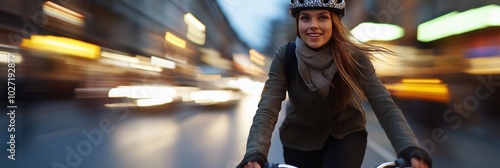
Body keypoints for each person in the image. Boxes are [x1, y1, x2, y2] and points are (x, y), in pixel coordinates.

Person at [237, 0, 432, 168]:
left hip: (346, 135)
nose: (313, 25)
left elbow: (384, 105)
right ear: (298, 23)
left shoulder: (354, 57)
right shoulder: (285, 56)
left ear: (334, 22)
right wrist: (255, 153)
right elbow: (267, 109)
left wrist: (408, 147)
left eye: (322, 17)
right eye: (305, 18)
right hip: (299, 139)